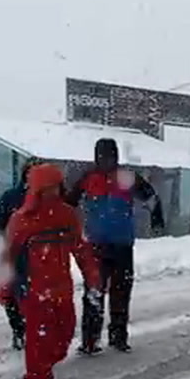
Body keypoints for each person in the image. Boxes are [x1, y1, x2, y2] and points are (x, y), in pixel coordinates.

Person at [2, 163, 102, 379]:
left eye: (56, 187)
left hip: (61, 290)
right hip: (33, 291)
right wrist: (4, 289)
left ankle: (44, 368)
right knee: (38, 339)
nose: (53, 193)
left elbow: (81, 249)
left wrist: (93, 276)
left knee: (64, 335)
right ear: (37, 189)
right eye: (47, 188)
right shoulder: (21, 219)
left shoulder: (67, 215)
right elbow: (8, 256)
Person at [65, 138, 165, 354]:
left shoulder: (126, 177)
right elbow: (69, 202)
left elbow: (151, 198)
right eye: (102, 156)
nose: (106, 160)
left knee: (121, 291)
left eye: (109, 156)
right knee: (94, 292)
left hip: (121, 244)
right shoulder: (88, 178)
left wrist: (157, 219)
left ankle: (118, 336)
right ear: (96, 157)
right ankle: (90, 341)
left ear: (116, 156)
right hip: (96, 245)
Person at [0, 158, 41, 349]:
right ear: (25, 174)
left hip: (38, 254)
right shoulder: (11, 197)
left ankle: (33, 330)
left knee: (33, 295)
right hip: (13, 252)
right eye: (31, 171)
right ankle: (19, 330)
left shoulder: (47, 199)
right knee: (11, 294)